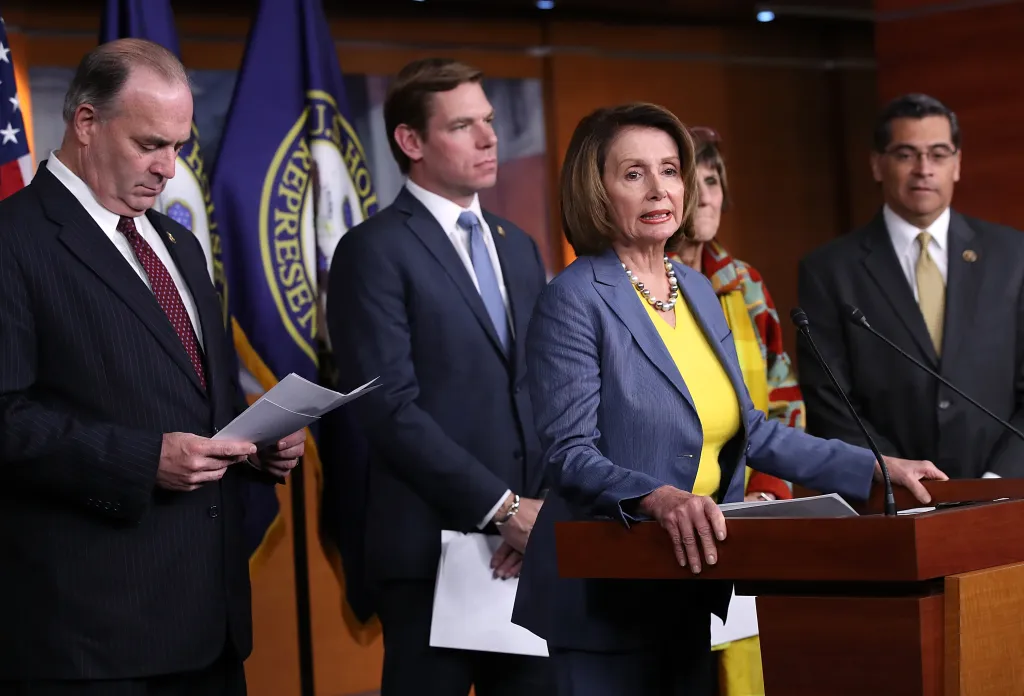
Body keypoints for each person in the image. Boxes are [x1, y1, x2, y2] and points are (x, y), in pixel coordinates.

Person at [510, 102, 946, 696]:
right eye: (634, 173)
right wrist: (658, 497)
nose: (659, 188)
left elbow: (754, 431)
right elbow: (568, 453)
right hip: (604, 593)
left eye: (670, 170)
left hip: (686, 582)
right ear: (596, 189)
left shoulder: (695, 288)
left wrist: (872, 468)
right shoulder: (575, 298)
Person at [0, 39, 304, 695]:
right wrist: (143, 461)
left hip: (211, 629)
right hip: (90, 642)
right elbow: (5, 421)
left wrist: (255, 445)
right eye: (149, 144)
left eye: (180, 146)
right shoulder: (13, 240)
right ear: (85, 122)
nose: (169, 168)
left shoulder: (179, 244)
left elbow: (198, 399)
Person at [327, 58, 552, 696]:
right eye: (463, 126)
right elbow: (388, 409)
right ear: (411, 141)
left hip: (526, 550)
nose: (488, 139)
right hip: (432, 552)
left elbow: (541, 393)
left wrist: (536, 513)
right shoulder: (372, 249)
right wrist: (500, 508)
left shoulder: (517, 244)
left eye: (488, 122)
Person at [797, 93, 1024, 480]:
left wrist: (1000, 477)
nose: (924, 169)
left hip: (1003, 495)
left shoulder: (1013, 254)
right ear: (877, 164)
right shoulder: (829, 270)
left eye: (938, 154)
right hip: (890, 501)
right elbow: (829, 399)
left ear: (957, 164)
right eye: (906, 154)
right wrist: (892, 474)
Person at [670, 127, 801, 694]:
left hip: (751, 517)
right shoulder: (629, 286)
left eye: (713, 180)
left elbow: (783, 397)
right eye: (689, 180)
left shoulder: (744, 283)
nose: (705, 196)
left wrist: (770, 492)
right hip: (673, 523)